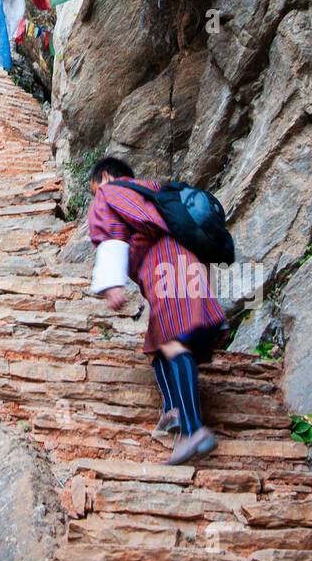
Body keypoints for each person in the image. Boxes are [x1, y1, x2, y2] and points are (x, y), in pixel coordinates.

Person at [87, 157, 228, 465]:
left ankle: (192, 430)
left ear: (106, 177)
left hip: (166, 265)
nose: (96, 194)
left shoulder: (111, 193)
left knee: (173, 339)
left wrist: (112, 284)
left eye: (95, 187)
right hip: (189, 264)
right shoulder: (153, 190)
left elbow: (110, 233)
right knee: (158, 341)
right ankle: (172, 411)